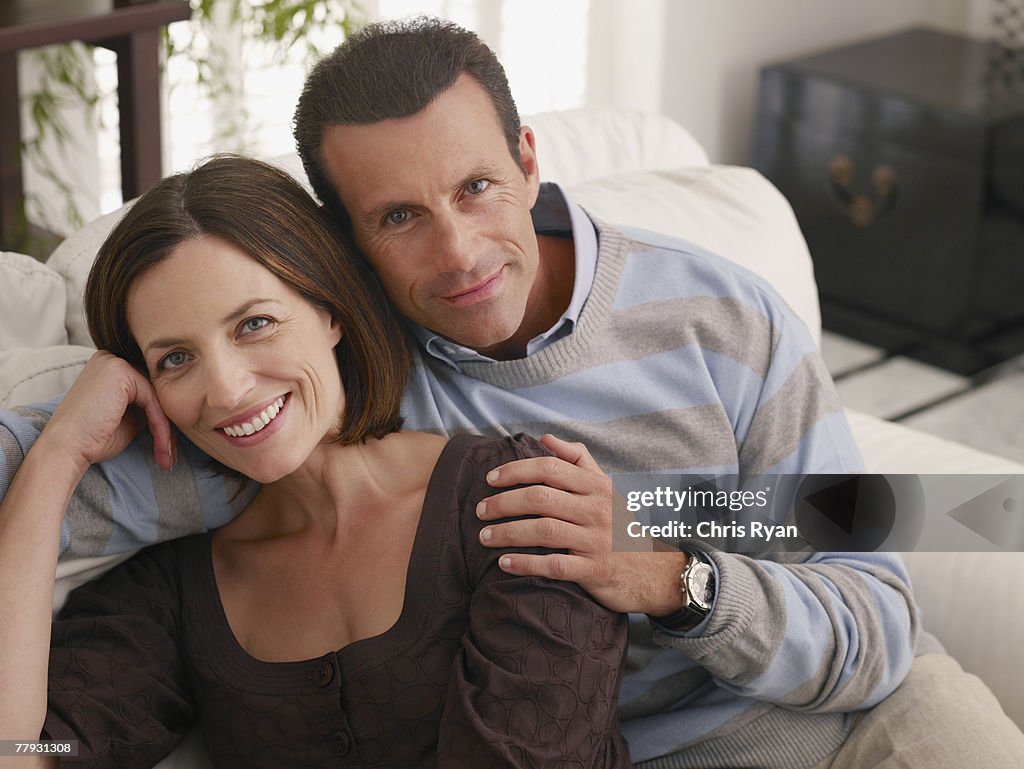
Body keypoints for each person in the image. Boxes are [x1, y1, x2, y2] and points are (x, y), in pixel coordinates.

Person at [2, 14, 1023, 769]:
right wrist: (56, 443)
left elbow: (873, 609)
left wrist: (673, 574)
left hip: (865, 726)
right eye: (397, 216)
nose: (456, 254)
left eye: (476, 187)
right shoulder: (335, 383)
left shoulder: (722, 316)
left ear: (527, 160)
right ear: (340, 242)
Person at [0, 155, 632, 769]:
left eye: (253, 325)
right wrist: (58, 455)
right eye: (175, 359)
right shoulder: (175, 589)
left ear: (329, 308)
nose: (224, 390)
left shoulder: (516, 498)